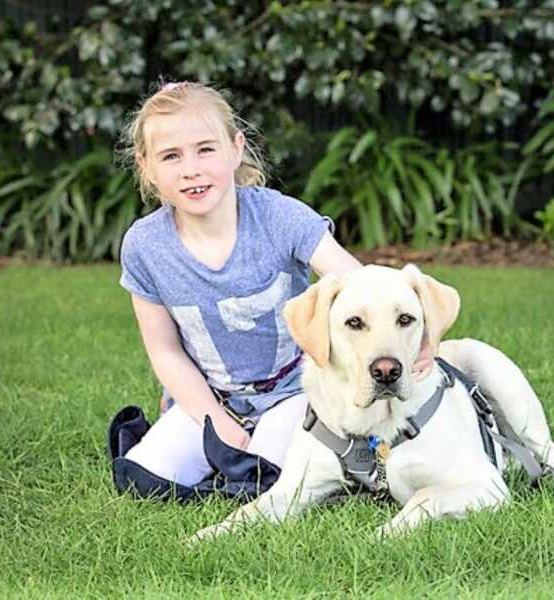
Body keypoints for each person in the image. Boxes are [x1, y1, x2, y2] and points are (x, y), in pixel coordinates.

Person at [107, 81, 371, 501]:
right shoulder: (144, 246)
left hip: (294, 389)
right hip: (209, 398)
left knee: (264, 477)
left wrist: (413, 339)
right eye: (171, 156)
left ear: (235, 149)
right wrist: (217, 421)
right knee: (146, 478)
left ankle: (290, 457)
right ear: (147, 166)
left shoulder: (280, 217)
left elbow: (359, 286)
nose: (191, 168)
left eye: (205, 149)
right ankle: (218, 458)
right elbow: (165, 351)